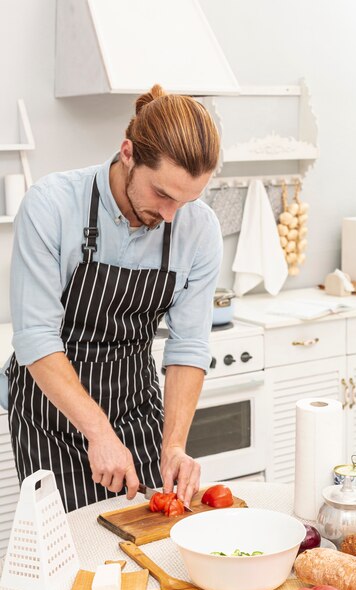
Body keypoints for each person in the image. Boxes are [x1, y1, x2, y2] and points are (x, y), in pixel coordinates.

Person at [1, 84, 222, 512]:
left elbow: (189, 347)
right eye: (163, 195)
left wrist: (174, 446)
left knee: (151, 544)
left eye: (188, 200)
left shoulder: (200, 229)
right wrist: (99, 433)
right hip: (52, 417)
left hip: (134, 406)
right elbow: (35, 340)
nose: (171, 216)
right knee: (75, 561)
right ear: (128, 154)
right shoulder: (51, 206)